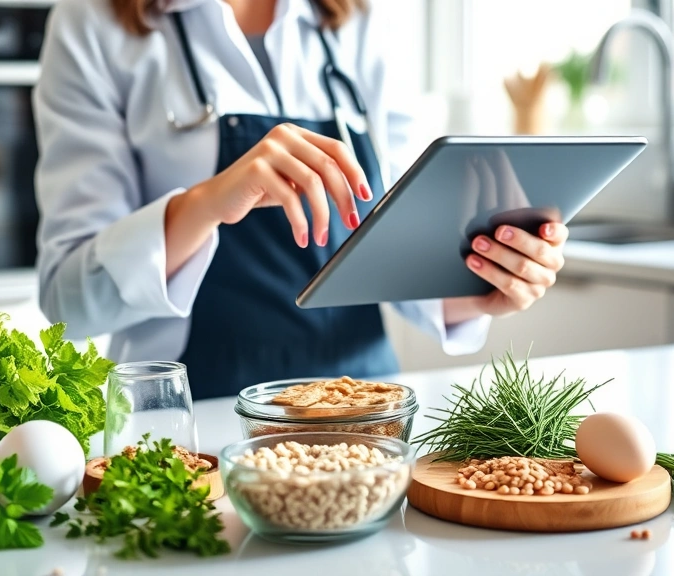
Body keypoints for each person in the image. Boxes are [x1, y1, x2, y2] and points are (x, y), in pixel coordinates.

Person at [33, 0, 570, 399]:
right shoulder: (93, 23)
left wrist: (484, 283)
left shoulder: (360, 18)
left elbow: (392, 248)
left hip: (363, 412)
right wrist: (207, 202)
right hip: (195, 420)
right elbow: (67, 300)